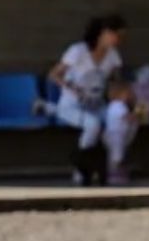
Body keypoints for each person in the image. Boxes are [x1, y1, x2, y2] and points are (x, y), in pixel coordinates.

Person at [43, 14, 126, 186]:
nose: (118, 39)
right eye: (115, 34)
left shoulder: (113, 55)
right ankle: (81, 168)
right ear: (102, 33)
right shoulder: (78, 51)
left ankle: (113, 166)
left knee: (120, 120)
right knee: (92, 124)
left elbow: (115, 82)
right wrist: (73, 89)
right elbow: (54, 74)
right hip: (71, 106)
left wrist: (118, 93)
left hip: (97, 104)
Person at [102, 81, 141, 185]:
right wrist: (137, 115)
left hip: (118, 134)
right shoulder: (118, 105)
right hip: (116, 135)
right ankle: (115, 177)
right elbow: (126, 117)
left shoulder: (114, 105)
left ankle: (115, 175)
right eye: (128, 94)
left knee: (115, 155)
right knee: (117, 155)